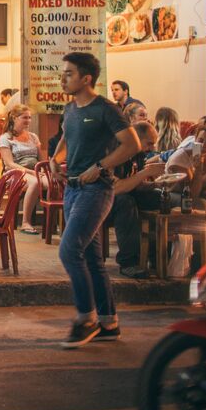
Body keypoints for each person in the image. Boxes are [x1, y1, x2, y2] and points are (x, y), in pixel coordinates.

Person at [52, 52, 140, 348]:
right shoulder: (70, 108)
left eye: (68, 74)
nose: (62, 79)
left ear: (86, 78)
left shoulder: (106, 109)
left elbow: (132, 144)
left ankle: (86, 319)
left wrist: (101, 166)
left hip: (96, 189)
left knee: (69, 250)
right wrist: (55, 159)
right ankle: (109, 323)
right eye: (63, 73)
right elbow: (67, 137)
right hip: (72, 188)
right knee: (91, 258)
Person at [109, 121, 167, 280]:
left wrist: (157, 184)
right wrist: (145, 173)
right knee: (125, 202)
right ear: (136, 139)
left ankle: (158, 257)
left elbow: (136, 185)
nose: (152, 148)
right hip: (102, 201)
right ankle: (128, 263)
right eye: (149, 143)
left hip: (126, 194)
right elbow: (115, 189)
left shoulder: (139, 155)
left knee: (160, 198)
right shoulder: (115, 152)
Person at [0, 105, 44, 234]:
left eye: (29, 117)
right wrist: (31, 172)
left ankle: (59, 223)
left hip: (34, 171)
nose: (28, 120)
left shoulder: (33, 137)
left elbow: (41, 160)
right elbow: (10, 164)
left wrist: (44, 172)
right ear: (14, 118)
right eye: (25, 118)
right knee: (35, 182)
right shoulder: (6, 138)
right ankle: (25, 222)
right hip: (15, 173)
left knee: (53, 183)